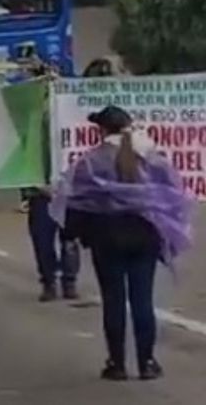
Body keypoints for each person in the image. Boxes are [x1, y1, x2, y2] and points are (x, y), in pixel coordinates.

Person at [51, 106, 194, 381]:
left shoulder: (91, 161)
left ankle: (116, 364)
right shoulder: (152, 157)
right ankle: (147, 362)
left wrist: (73, 234)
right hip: (144, 234)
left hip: (106, 236)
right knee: (142, 300)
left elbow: (76, 200)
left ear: (101, 130)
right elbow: (172, 193)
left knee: (113, 301)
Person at [24, 184, 80, 302]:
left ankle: (69, 281)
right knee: (42, 241)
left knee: (69, 240)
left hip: (67, 195)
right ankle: (49, 282)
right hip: (40, 198)